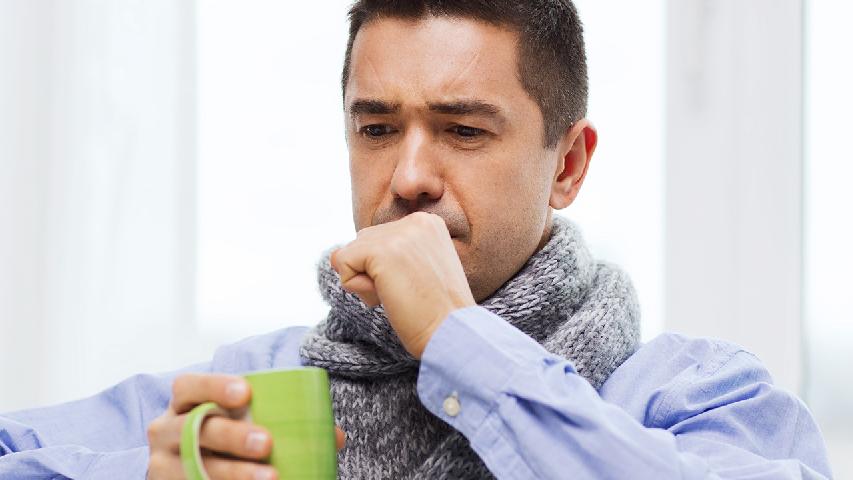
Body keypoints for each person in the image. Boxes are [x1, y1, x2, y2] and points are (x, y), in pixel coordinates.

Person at [0, 1, 833, 479]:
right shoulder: (239, 396)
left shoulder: (700, 400)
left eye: (463, 131)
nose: (406, 179)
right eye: (375, 127)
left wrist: (456, 341)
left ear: (567, 166)